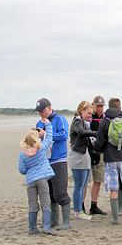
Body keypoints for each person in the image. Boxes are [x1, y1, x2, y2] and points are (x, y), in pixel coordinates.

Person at [35, 98, 71, 231]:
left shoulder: (59, 119)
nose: (40, 114)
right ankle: (54, 220)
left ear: (49, 108)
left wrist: (47, 135)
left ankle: (67, 221)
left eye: (42, 111)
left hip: (58, 160)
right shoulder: (40, 122)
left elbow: (63, 135)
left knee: (60, 192)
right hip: (45, 161)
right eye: (38, 112)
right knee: (50, 193)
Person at [18, 118, 56, 236]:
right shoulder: (41, 149)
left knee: (33, 204)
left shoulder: (23, 154)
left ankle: (32, 227)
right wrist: (48, 124)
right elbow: (49, 137)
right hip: (42, 179)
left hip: (31, 181)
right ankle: (46, 226)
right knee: (45, 202)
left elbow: (22, 170)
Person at [68, 100, 98, 220]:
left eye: (91, 114)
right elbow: (81, 132)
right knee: (79, 186)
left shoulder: (85, 122)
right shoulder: (77, 122)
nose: (90, 116)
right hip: (77, 156)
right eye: (89, 113)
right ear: (82, 111)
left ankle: (80, 211)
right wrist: (96, 133)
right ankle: (77, 211)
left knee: (84, 183)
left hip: (85, 154)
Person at [86, 95, 107, 215]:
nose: (99, 108)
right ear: (93, 105)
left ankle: (94, 205)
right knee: (85, 181)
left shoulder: (105, 118)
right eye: (97, 106)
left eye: (101, 106)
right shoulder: (88, 118)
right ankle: (81, 206)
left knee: (98, 180)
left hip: (100, 152)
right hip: (87, 152)